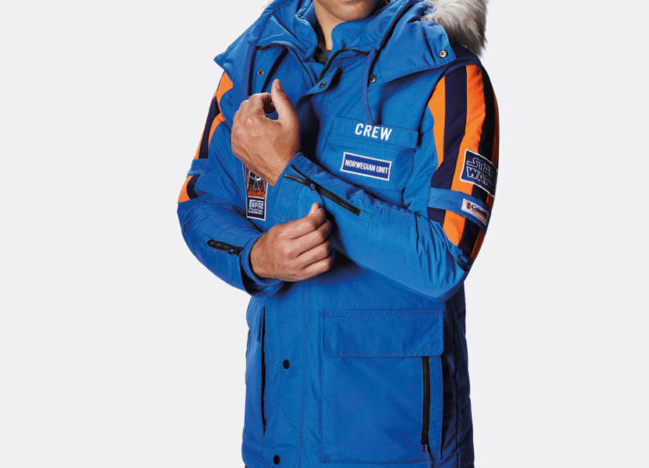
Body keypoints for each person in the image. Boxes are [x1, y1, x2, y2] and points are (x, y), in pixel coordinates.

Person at [176, 0, 498, 466]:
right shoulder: (256, 60)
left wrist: (289, 173)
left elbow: (442, 260)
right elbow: (200, 202)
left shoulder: (446, 73)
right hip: (277, 442)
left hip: (400, 450)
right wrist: (255, 258)